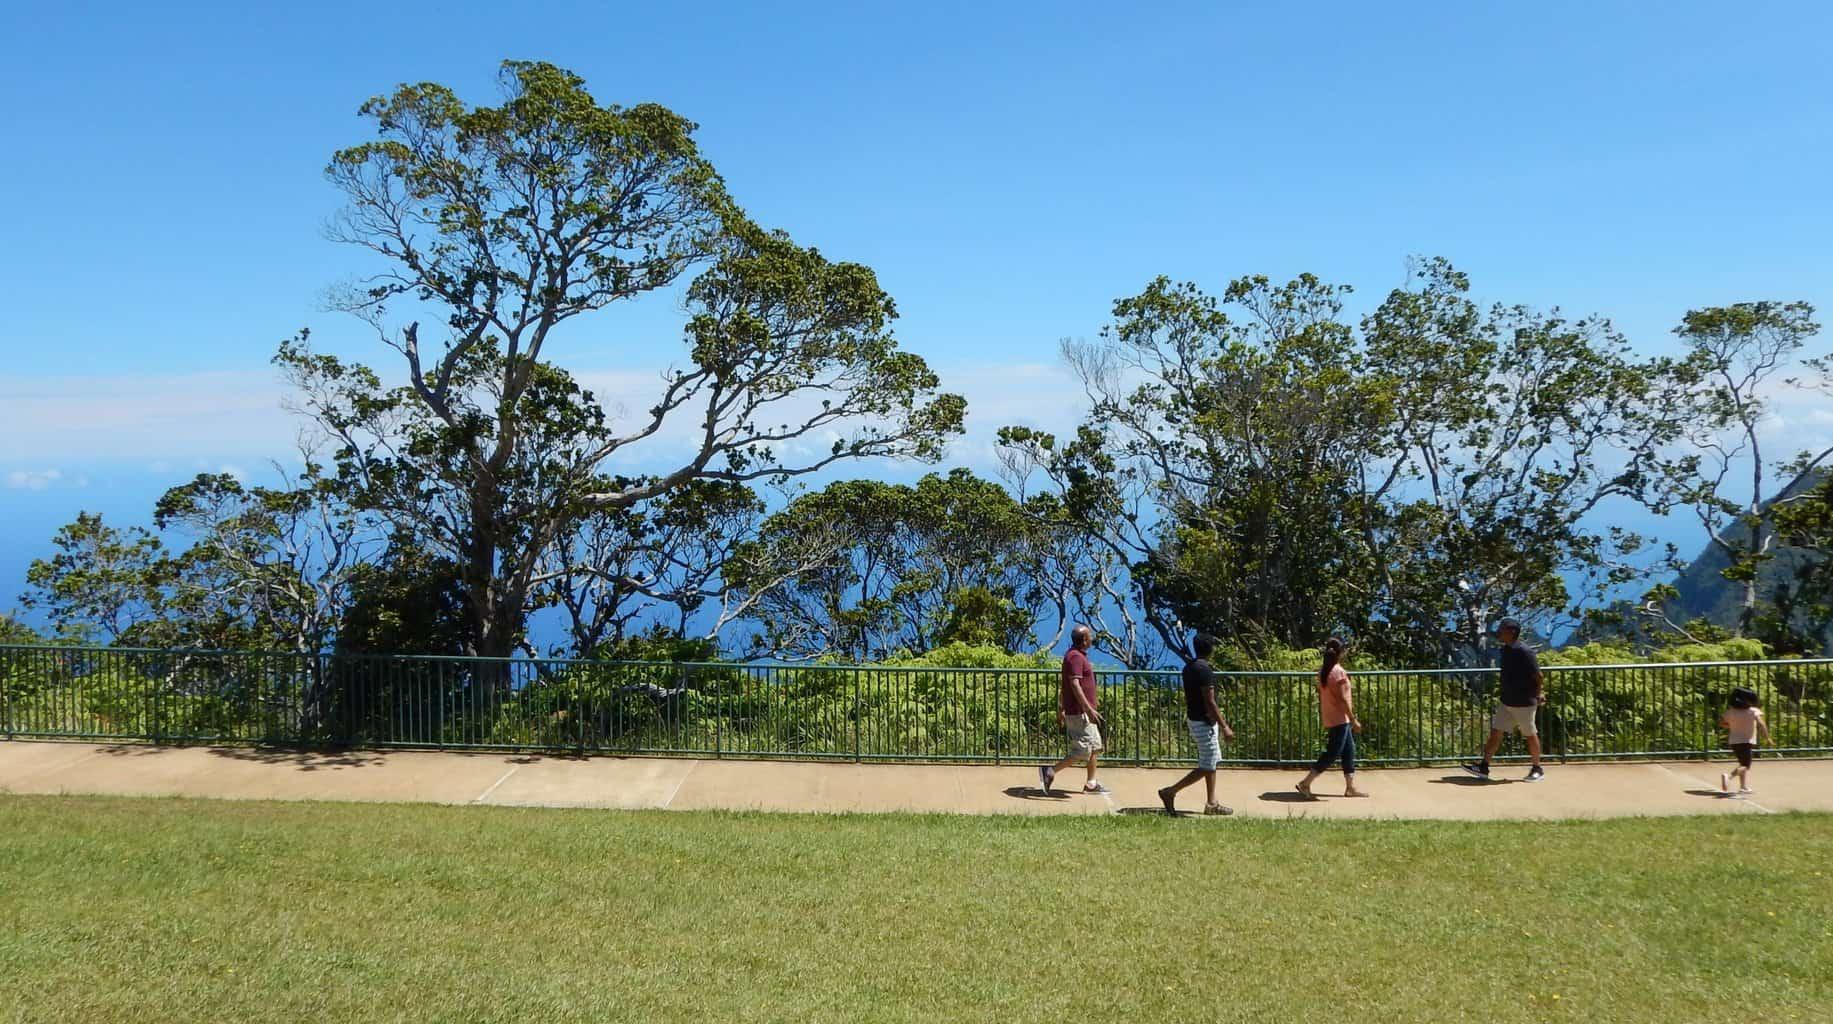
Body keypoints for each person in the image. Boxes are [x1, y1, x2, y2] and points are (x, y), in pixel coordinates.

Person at [1158, 633, 1236, 816]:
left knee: (1212, 761)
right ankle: (1170, 792)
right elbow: (1210, 701)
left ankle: (1212, 803)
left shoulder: (1189, 667)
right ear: (1210, 649)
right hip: (1204, 722)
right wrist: (1224, 726)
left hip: (1195, 718)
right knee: (1207, 765)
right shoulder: (1205, 670)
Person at [1462, 617, 1546, 782]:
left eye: (1502, 628)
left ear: (1512, 632)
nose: (1499, 631)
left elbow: (1538, 676)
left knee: (1530, 734)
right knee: (1496, 733)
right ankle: (1484, 767)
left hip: (1524, 703)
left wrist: (1538, 694)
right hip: (1507, 701)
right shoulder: (1506, 650)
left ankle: (1538, 769)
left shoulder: (1525, 652)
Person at [1039, 625, 1107, 795]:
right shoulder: (1075, 657)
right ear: (1084, 640)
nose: (1091, 638)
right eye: (1089, 635)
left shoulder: (1076, 656)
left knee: (1095, 747)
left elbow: (1064, 687)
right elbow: (1074, 684)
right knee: (1083, 751)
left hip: (1083, 712)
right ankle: (1050, 771)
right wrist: (1088, 708)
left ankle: (1091, 784)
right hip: (1080, 713)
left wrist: (1061, 708)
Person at [1295, 637, 1366, 798]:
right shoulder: (1338, 672)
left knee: (1349, 751)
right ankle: (1305, 783)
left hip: (1332, 716)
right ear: (1340, 653)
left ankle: (1350, 787)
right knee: (1332, 753)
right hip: (1340, 718)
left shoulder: (1323, 671)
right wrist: (1353, 719)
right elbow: (1342, 699)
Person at [1719, 687, 1770, 797]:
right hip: (1746, 741)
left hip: (1734, 741)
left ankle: (1743, 787)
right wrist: (1767, 737)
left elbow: (1722, 723)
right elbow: (1761, 724)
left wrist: (1732, 725)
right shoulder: (1753, 711)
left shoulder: (1730, 712)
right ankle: (1729, 777)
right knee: (1746, 765)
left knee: (1742, 763)